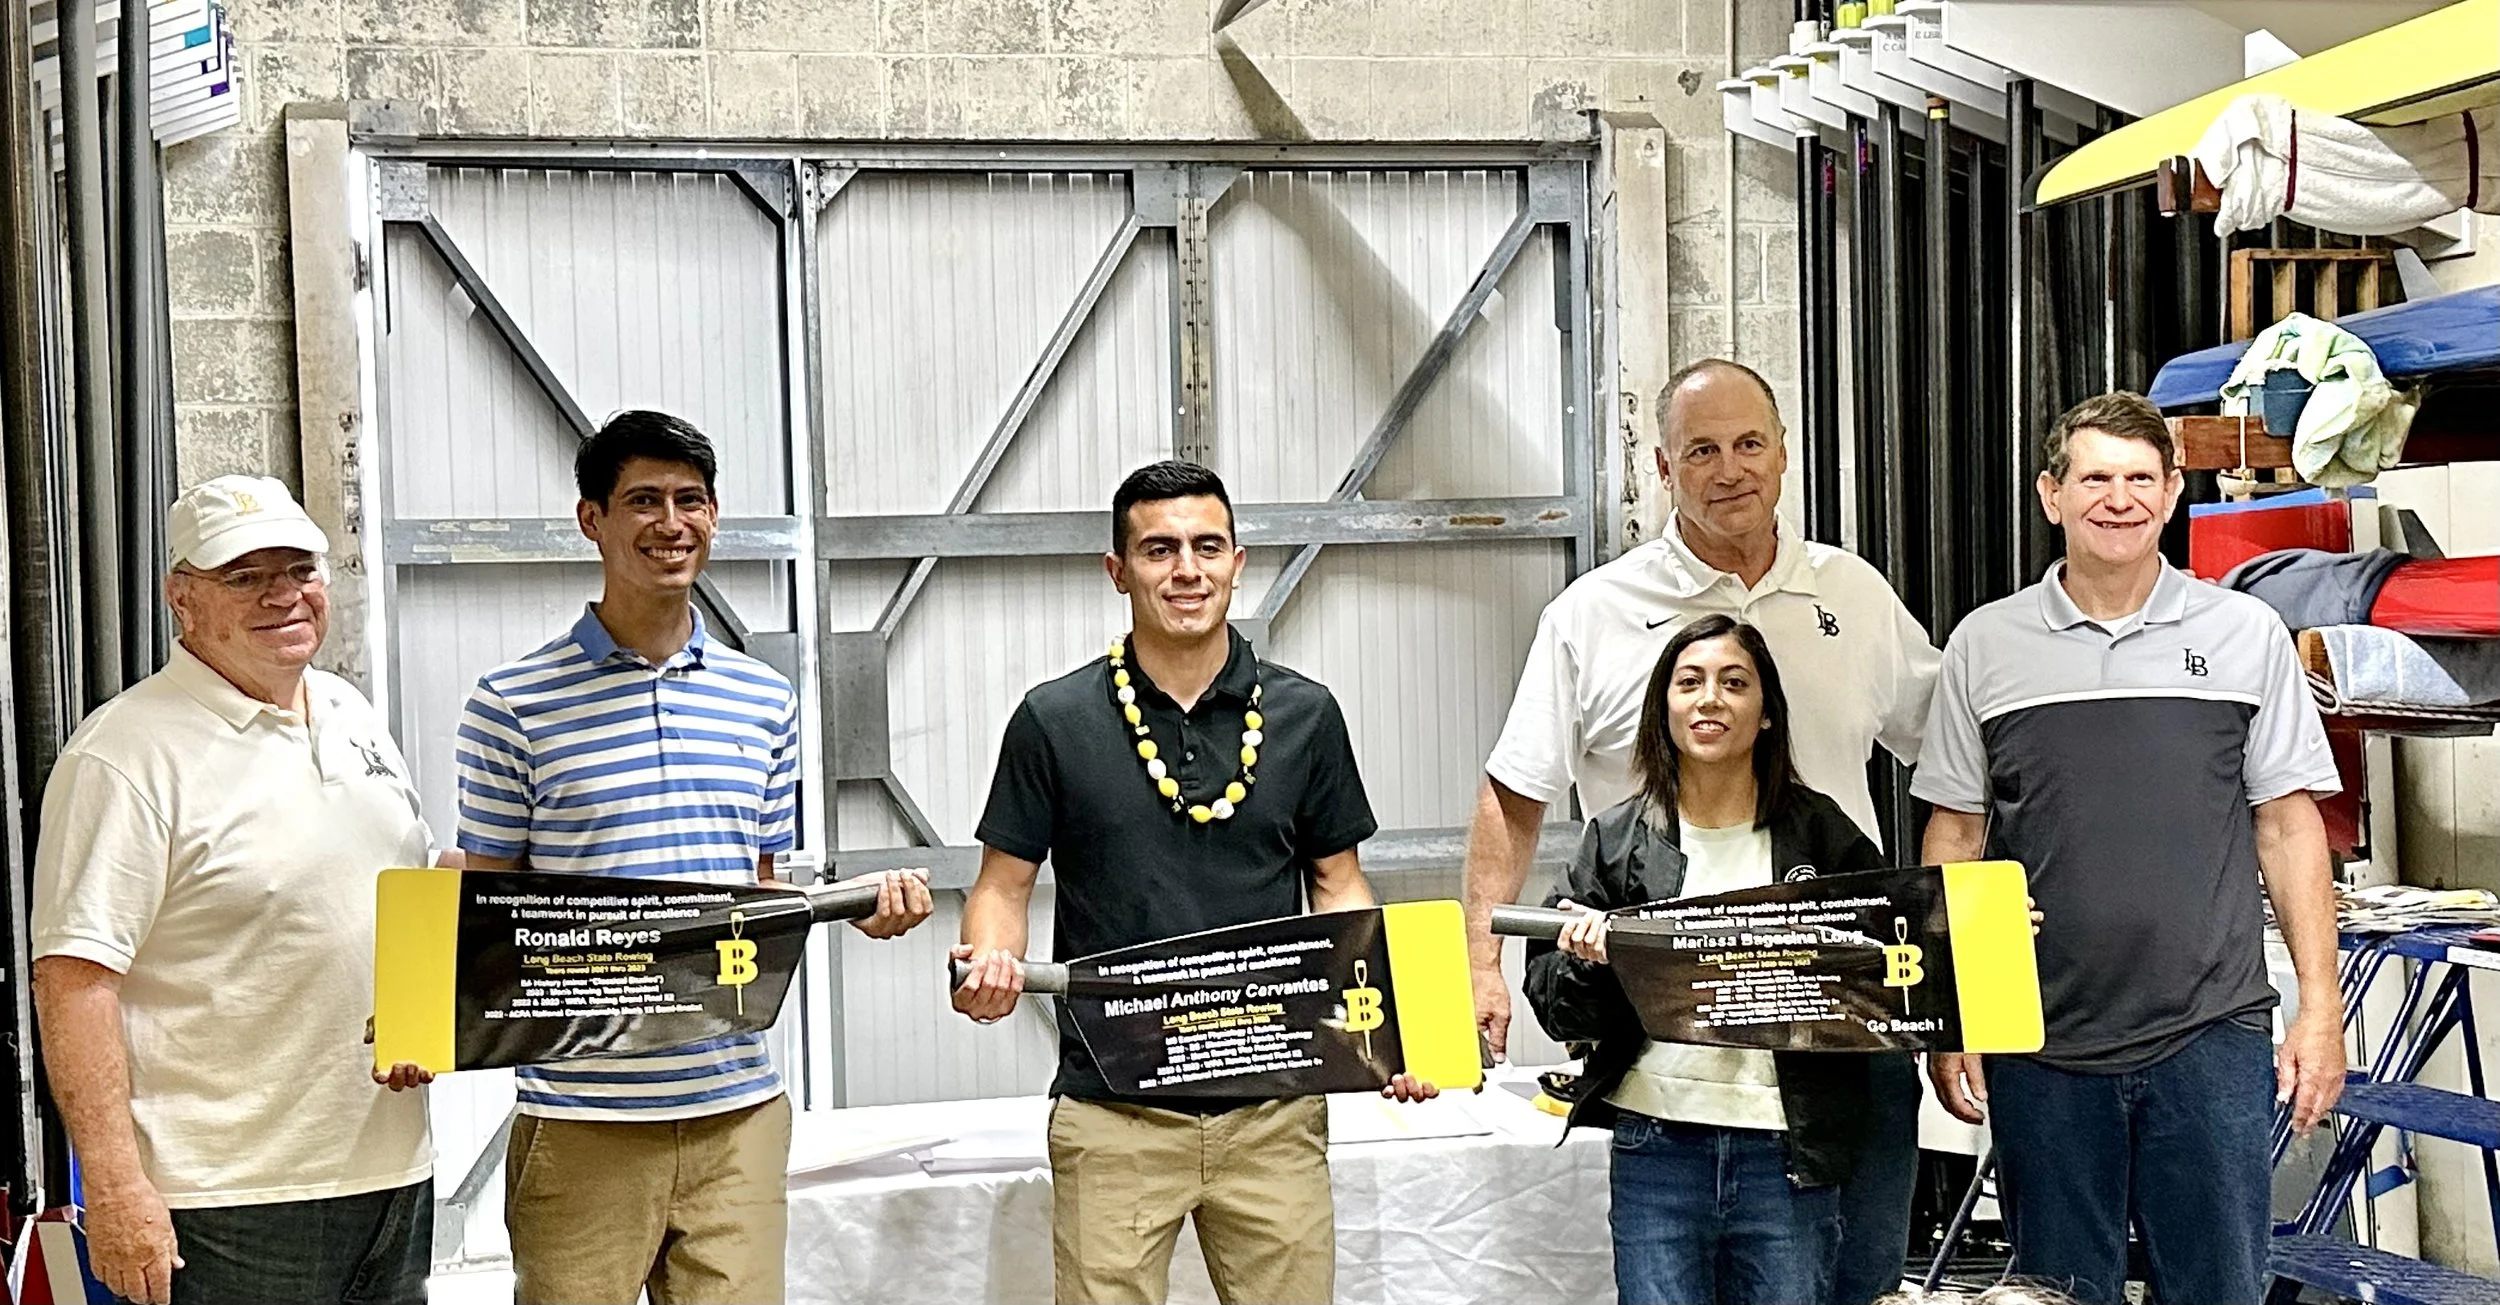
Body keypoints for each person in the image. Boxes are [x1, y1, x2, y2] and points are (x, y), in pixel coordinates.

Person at [1466, 358, 1941, 1303]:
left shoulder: (1851, 593)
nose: (1730, 470)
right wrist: (1480, 965)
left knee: (1858, 1285)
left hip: (1843, 1048)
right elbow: (1514, 793)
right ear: (1661, 467)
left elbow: (1955, 759)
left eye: (1749, 443)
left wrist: (1977, 931)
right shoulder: (1593, 613)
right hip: (1667, 1067)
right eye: (1701, 450)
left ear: (1784, 453)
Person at [454, 410, 933, 1305]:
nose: (670, 523)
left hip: (737, 1114)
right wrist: (420, 1019)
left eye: (691, 500)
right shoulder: (513, 703)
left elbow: (758, 889)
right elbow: (483, 906)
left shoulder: (764, 700)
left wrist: (849, 909)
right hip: (583, 1119)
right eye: (643, 500)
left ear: (713, 516)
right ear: (592, 519)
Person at [951, 459, 1435, 1305]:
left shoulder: (1306, 715)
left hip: (1274, 1112)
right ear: (1118, 570)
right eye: (1159, 549)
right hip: (1114, 1115)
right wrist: (988, 963)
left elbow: (1338, 885)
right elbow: (1003, 885)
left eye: (1208, 547)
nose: (1187, 569)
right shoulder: (1052, 719)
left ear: (1237, 563)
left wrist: (1393, 1031)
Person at [1914, 392, 2346, 1305]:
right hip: (2041, 1042)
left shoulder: (2243, 634)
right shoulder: (1985, 646)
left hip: (2211, 1034)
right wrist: (1956, 1011)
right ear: (2052, 495)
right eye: (2096, 478)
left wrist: (2321, 1007)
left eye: (2141, 479)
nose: (2120, 499)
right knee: (2059, 1294)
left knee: (2220, 1289)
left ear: (2174, 491)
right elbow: (1956, 834)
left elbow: (2288, 823)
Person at [32, 476, 442, 1305]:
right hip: (229, 1199)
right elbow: (73, 980)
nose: (282, 595)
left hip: (392, 1170)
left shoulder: (350, 712)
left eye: (299, 569)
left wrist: (432, 1015)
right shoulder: (124, 756)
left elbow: (403, 886)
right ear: (181, 599)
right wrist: (115, 1186)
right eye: (244, 576)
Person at [1525, 614, 1887, 1305]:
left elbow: (1894, 961)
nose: (1710, 699)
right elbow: (1556, 1005)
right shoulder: (1617, 839)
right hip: (1656, 1144)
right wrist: (1594, 963)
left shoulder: (1822, 833)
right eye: (1689, 682)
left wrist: (1981, 929)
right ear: (1664, 709)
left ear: (1767, 712)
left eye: (1734, 683)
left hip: (1788, 1148)